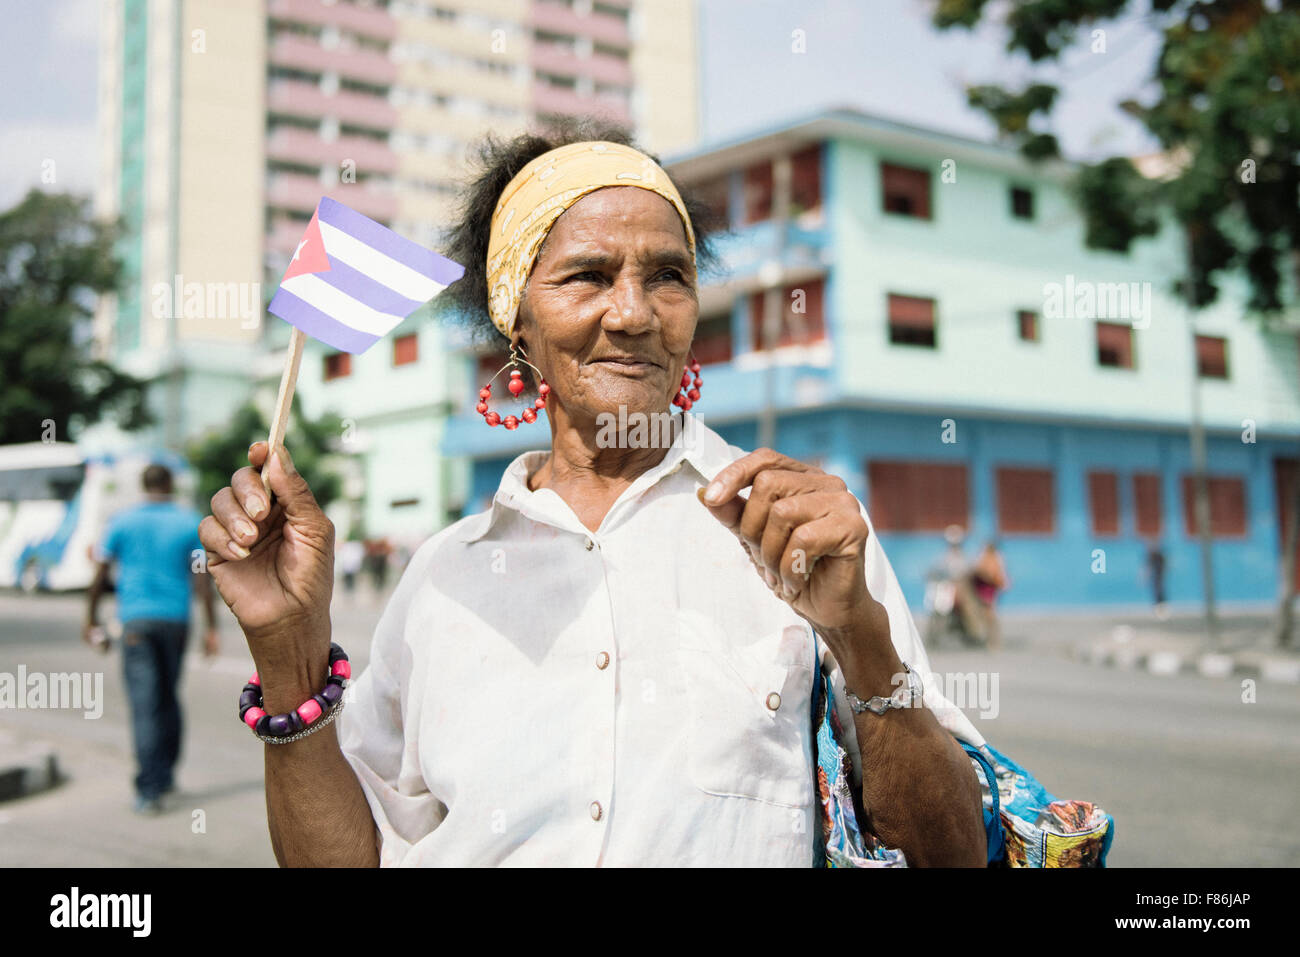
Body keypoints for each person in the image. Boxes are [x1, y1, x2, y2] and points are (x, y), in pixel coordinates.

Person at [199, 123, 989, 866]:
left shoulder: (798, 533)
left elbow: (951, 854)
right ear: (517, 321)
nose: (635, 313)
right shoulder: (444, 575)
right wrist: (289, 657)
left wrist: (859, 636)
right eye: (587, 275)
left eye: (668, 276)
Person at [85, 463, 219, 814]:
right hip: (175, 620)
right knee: (169, 696)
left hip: (136, 623)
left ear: (143, 485)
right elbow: (201, 578)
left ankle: (149, 788)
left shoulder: (122, 521)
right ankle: (167, 772)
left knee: (146, 704)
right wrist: (211, 628)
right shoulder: (189, 522)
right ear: (170, 484)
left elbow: (101, 572)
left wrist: (90, 620)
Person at [969, 541, 1009, 651]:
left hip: (988, 589)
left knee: (989, 615)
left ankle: (992, 641)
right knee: (986, 615)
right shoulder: (984, 557)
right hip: (983, 588)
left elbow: (993, 574)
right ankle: (989, 640)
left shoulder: (994, 559)